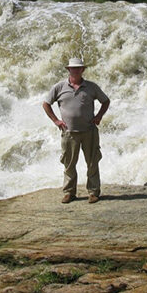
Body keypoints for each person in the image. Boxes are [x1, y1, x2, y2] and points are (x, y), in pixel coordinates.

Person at [42, 57, 110, 204]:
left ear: (82, 70)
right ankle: (69, 192)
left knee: (92, 162)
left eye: (78, 68)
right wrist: (56, 121)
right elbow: (46, 104)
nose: (76, 70)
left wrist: (99, 116)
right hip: (69, 133)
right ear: (68, 69)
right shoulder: (59, 87)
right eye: (73, 68)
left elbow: (105, 101)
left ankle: (93, 192)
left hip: (89, 131)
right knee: (69, 164)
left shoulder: (91, 87)